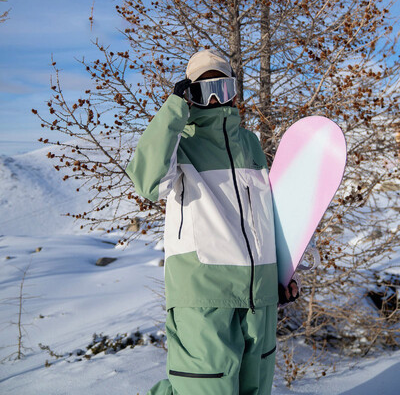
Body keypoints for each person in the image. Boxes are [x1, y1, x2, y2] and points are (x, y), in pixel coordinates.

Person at [125, 49, 299, 395]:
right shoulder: (180, 143)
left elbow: (270, 215)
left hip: (258, 296)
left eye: (224, 87)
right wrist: (173, 111)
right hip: (203, 293)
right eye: (205, 91)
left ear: (235, 90)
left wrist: (280, 275)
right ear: (190, 95)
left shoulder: (249, 143)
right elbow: (147, 182)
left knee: (256, 389)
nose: (218, 98)